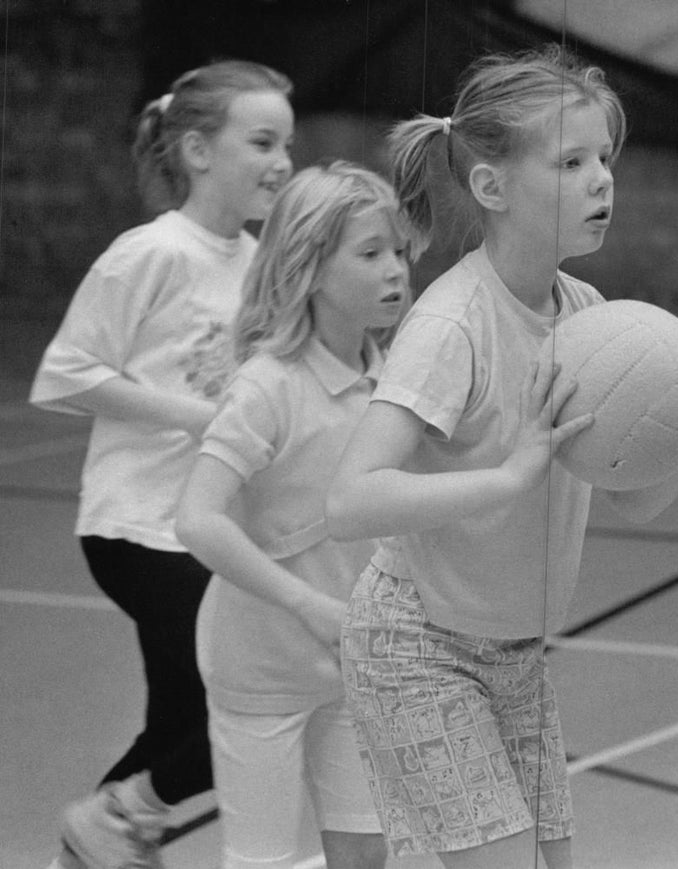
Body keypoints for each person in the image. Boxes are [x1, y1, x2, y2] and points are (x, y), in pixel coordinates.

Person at [325, 46, 678, 869]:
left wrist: (669, 437)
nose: (603, 179)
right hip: (418, 646)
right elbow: (349, 499)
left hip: (517, 653)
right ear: (493, 188)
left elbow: (635, 501)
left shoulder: (588, 315)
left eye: (605, 159)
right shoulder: (454, 325)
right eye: (571, 162)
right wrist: (508, 474)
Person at [30, 59, 295, 869]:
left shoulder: (261, 261)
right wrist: (201, 417)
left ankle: (86, 849)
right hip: (137, 527)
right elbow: (65, 375)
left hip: (207, 530)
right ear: (196, 151)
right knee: (240, 698)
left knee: (177, 718)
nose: (282, 161)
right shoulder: (147, 254)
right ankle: (117, 821)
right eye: (262, 141)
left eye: (288, 141)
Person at [174, 160, 410, 869]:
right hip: (261, 665)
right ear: (309, 268)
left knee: (367, 851)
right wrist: (306, 601)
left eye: (399, 250)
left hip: (353, 660)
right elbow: (198, 519)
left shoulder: (392, 377)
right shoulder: (268, 386)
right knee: (262, 861)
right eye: (370, 253)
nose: (396, 269)